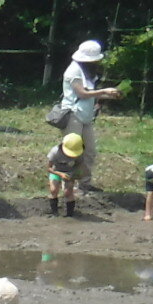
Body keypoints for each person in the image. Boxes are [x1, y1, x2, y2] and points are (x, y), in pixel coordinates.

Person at [57, 40, 122, 187]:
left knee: (90, 151)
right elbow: (82, 93)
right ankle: (67, 185)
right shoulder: (73, 71)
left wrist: (111, 95)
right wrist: (104, 91)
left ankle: (84, 183)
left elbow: (91, 95)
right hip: (72, 115)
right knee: (72, 152)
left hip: (85, 116)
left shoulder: (87, 72)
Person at [46, 132, 85, 217]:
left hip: (69, 173)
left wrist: (75, 176)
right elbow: (49, 168)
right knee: (53, 190)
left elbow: (79, 166)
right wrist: (60, 174)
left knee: (68, 192)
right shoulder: (55, 152)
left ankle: (70, 215)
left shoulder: (79, 154)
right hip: (56, 171)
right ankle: (54, 213)